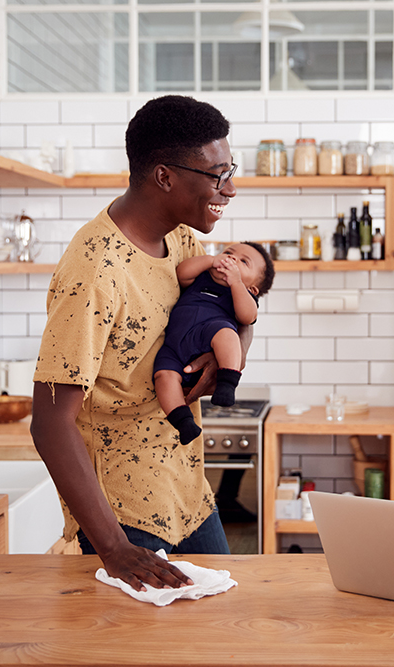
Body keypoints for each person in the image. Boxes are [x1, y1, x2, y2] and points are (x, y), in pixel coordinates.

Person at [30, 95, 245, 592]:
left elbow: (232, 313)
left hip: (189, 497)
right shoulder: (95, 271)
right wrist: (114, 548)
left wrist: (223, 360)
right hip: (124, 519)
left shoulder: (183, 242)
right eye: (217, 174)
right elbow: (49, 420)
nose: (230, 189)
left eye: (229, 170)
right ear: (165, 177)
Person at [154, 241, 275, 445]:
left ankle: (227, 384)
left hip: (209, 333)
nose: (232, 259)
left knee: (227, 334)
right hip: (175, 343)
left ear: (252, 289)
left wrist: (236, 283)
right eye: (228, 253)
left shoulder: (243, 295)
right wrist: (210, 261)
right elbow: (181, 273)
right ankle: (182, 421)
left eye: (243, 261)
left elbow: (247, 317)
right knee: (163, 375)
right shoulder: (201, 276)